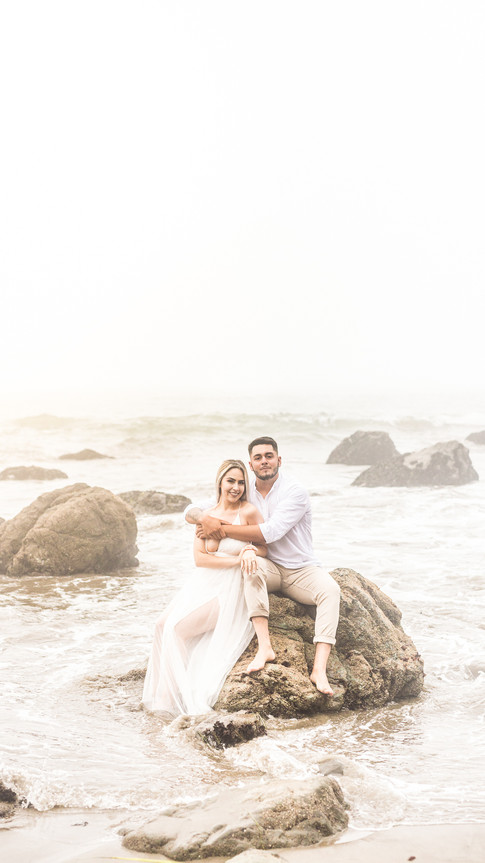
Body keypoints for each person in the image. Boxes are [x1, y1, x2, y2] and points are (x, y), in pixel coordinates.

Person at [186, 437, 340, 696]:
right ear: (251, 464)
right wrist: (203, 518)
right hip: (267, 565)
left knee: (331, 591)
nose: (264, 461)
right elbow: (191, 509)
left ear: (279, 460)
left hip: (300, 568)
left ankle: (319, 669)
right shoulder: (245, 493)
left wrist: (218, 527)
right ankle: (265, 647)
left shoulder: (294, 491)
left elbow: (271, 532)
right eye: (258, 458)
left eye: (269, 456)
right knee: (250, 563)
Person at [142, 459, 267, 715]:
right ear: (220, 482)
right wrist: (237, 557)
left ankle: (167, 702)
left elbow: (264, 546)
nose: (236, 487)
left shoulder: (248, 512)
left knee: (177, 629)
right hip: (202, 584)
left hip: (230, 589)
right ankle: (157, 693)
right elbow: (200, 559)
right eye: (230, 481)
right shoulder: (206, 516)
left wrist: (249, 552)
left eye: (241, 482)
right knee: (160, 626)